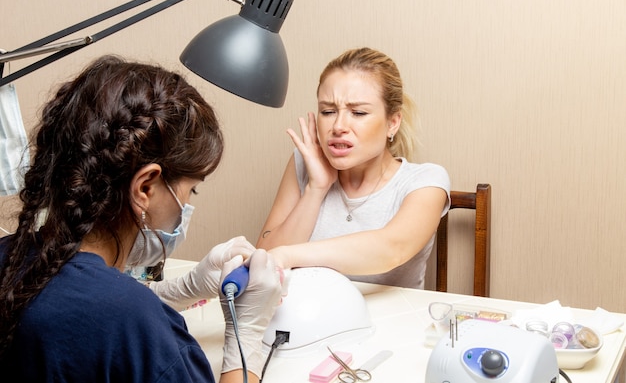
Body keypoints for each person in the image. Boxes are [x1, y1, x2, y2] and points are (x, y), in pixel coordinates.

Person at [0, 56, 282, 383]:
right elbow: (114, 320)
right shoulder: (133, 323)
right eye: (192, 191)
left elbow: (85, 309)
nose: (189, 203)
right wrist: (244, 336)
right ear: (146, 187)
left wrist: (179, 290)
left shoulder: (9, 256)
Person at [257, 47, 450, 289]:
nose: (338, 126)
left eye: (358, 113)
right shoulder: (304, 163)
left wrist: (288, 256)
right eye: (328, 111)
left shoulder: (425, 180)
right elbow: (264, 261)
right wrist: (315, 189)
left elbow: (391, 250)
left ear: (392, 123)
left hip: (391, 324)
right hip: (310, 322)